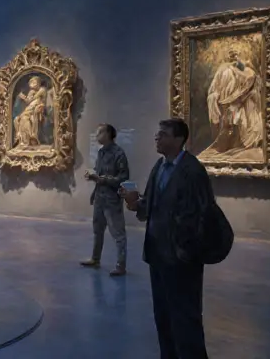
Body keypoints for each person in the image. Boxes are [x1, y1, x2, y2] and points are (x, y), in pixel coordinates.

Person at [121, 119, 214, 359]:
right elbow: (150, 205)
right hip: (158, 255)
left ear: (179, 139)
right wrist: (135, 203)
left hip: (181, 260)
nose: (157, 138)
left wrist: (184, 252)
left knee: (186, 318)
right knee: (163, 317)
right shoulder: (159, 167)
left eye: (163, 135)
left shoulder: (192, 171)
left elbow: (200, 216)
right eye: (157, 134)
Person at [81, 123, 130, 275]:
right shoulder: (101, 152)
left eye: (100, 132)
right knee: (98, 230)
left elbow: (123, 177)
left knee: (118, 233)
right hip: (100, 197)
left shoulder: (118, 153)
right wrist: (94, 183)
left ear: (108, 134)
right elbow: (100, 173)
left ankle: (121, 265)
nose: (97, 135)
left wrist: (102, 179)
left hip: (112, 199)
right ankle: (95, 259)